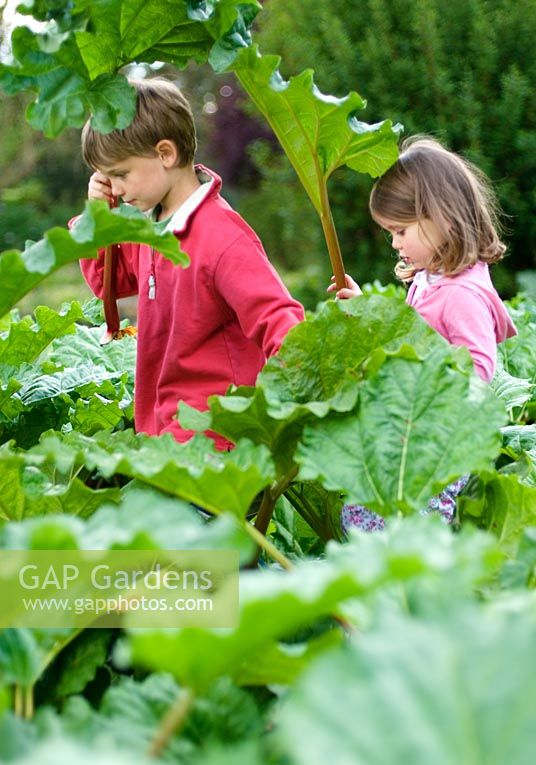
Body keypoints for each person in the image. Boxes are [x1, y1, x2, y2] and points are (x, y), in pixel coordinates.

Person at [76, 77, 304, 448]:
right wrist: (98, 218)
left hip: (218, 440)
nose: (114, 188)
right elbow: (109, 285)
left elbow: (278, 320)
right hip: (165, 433)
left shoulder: (222, 236)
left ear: (165, 154)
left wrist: (292, 408)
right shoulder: (151, 227)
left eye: (120, 174)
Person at [327, 135, 517, 531]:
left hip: (436, 443)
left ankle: (417, 584)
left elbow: (479, 368)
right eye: (390, 233)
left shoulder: (462, 293)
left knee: (411, 528)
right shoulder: (431, 279)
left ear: (440, 217)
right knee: (363, 516)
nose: (395, 243)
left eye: (400, 231)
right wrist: (365, 308)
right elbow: (408, 335)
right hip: (409, 433)